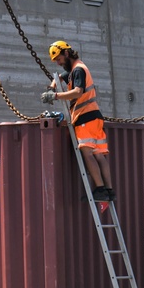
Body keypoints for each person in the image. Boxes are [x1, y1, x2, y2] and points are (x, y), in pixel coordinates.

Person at [40, 40, 114, 202]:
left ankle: (100, 189)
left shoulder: (79, 70)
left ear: (66, 53)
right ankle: (109, 190)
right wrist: (52, 87)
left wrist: (55, 96)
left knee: (87, 153)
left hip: (85, 117)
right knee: (99, 155)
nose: (59, 63)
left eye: (59, 59)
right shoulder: (76, 69)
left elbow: (77, 92)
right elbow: (60, 77)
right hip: (95, 117)